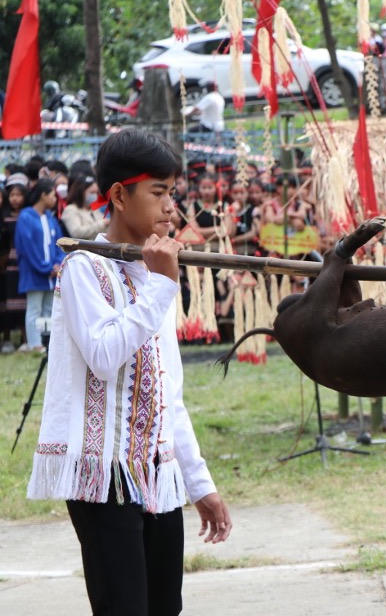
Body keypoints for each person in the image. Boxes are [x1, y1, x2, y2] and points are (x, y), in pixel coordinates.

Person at [26, 129, 232, 615]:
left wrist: (199, 484)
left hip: (157, 475)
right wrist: (162, 286)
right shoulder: (83, 268)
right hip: (104, 478)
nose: (170, 207)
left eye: (172, 193)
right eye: (158, 192)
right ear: (119, 195)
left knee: (165, 607)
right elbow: (103, 353)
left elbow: (168, 395)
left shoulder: (151, 271)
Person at [14, 178, 65, 352]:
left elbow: (60, 243)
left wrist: (58, 264)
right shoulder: (26, 217)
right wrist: (45, 268)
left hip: (52, 273)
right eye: (52, 195)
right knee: (34, 308)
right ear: (43, 195)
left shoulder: (50, 218)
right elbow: (27, 248)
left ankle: (47, 342)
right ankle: (34, 343)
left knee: (49, 308)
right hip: (35, 273)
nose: (55, 199)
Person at [1, 172, 28, 352]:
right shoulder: (5, 218)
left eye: (19, 195)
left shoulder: (27, 217)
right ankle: (8, 338)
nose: (15, 199)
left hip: (24, 263)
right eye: (12, 195)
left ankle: (26, 338)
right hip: (7, 264)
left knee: (24, 301)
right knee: (8, 300)